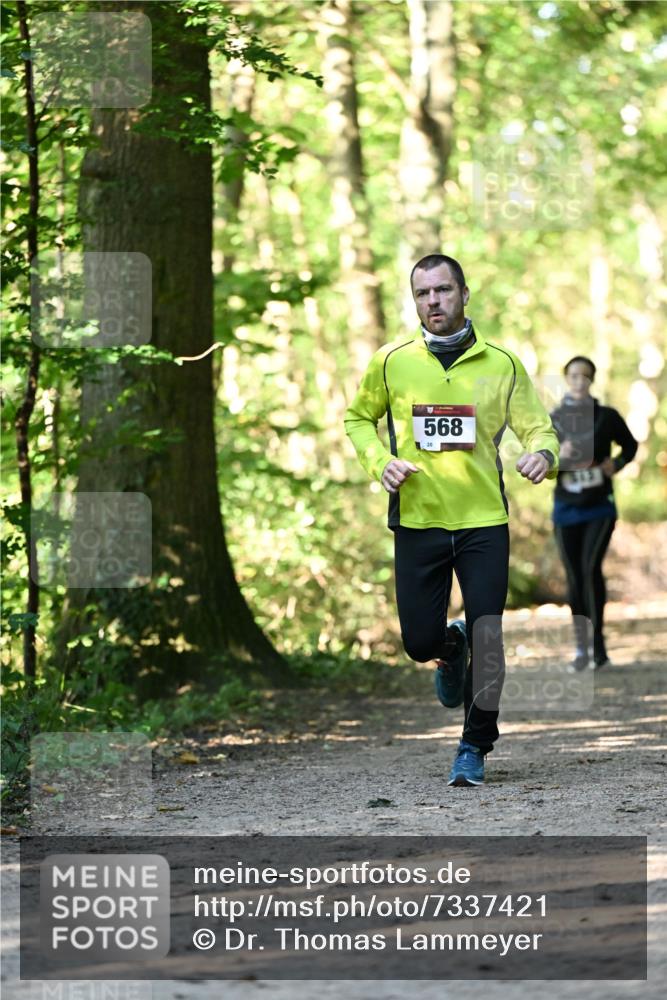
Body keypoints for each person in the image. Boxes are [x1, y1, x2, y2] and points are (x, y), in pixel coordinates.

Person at [344, 253, 559, 787]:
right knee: (419, 641)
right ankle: (447, 647)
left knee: (490, 634)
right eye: (422, 294)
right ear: (414, 300)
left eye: (442, 290)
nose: (433, 302)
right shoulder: (392, 361)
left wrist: (543, 456)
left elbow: (540, 430)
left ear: (465, 293)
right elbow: (357, 419)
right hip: (418, 520)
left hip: (484, 520)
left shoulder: (502, 363)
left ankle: (474, 745)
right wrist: (380, 462)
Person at [551, 356, 638, 671]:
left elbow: (630, 445)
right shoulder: (554, 418)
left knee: (589, 569)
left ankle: (598, 643)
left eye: (585, 376)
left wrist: (614, 464)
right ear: (566, 379)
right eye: (573, 375)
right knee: (574, 576)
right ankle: (581, 647)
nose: (579, 381)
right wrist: (556, 456)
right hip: (565, 506)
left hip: (599, 506)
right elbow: (539, 456)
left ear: (592, 380)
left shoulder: (606, 416)